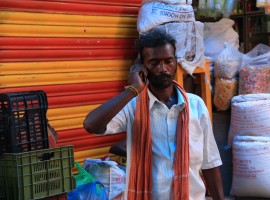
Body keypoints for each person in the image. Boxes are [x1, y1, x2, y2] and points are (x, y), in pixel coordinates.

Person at [83, 30, 224, 200]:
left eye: (168, 61)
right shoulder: (133, 106)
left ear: (175, 62)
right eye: (154, 63)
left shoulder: (195, 105)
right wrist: (133, 89)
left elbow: (210, 163)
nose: (163, 69)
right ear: (141, 66)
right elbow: (91, 124)